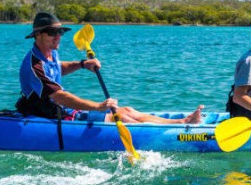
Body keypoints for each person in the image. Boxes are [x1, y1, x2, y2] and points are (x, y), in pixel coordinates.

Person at [17, 12, 203, 124]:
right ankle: (178, 127)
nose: (58, 37)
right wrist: (98, 107)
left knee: (127, 110)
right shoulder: (35, 65)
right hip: (51, 113)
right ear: (38, 35)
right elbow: (60, 96)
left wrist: (82, 64)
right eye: (52, 33)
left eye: (60, 32)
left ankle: (182, 121)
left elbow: (58, 68)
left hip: (62, 109)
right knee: (121, 118)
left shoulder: (50, 52)